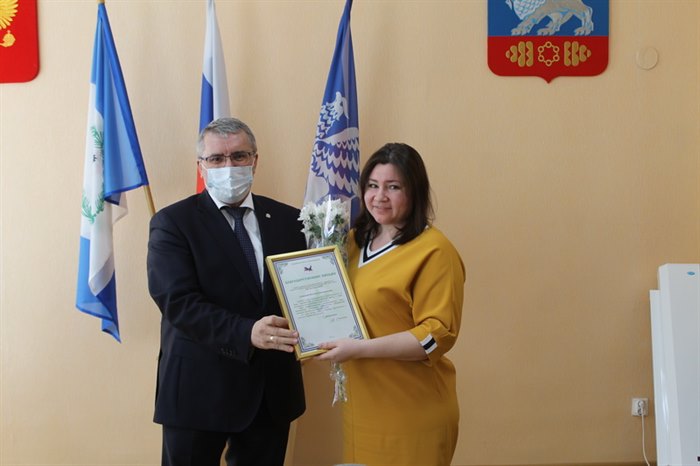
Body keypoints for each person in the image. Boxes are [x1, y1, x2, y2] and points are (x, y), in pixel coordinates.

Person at [147, 117, 306, 466]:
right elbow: (178, 302)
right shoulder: (173, 224)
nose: (229, 166)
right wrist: (247, 332)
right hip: (198, 392)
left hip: (270, 393)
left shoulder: (291, 221)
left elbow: (303, 291)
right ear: (201, 166)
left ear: (255, 161)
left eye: (239, 156)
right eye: (217, 158)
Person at [317, 142, 465, 466]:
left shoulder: (435, 251)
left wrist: (358, 349)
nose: (379, 196)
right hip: (361, 409)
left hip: (412, 410)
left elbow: (435, 336)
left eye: (393, 187)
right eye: (372, 185)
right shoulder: (353, 242)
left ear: (415, 191)